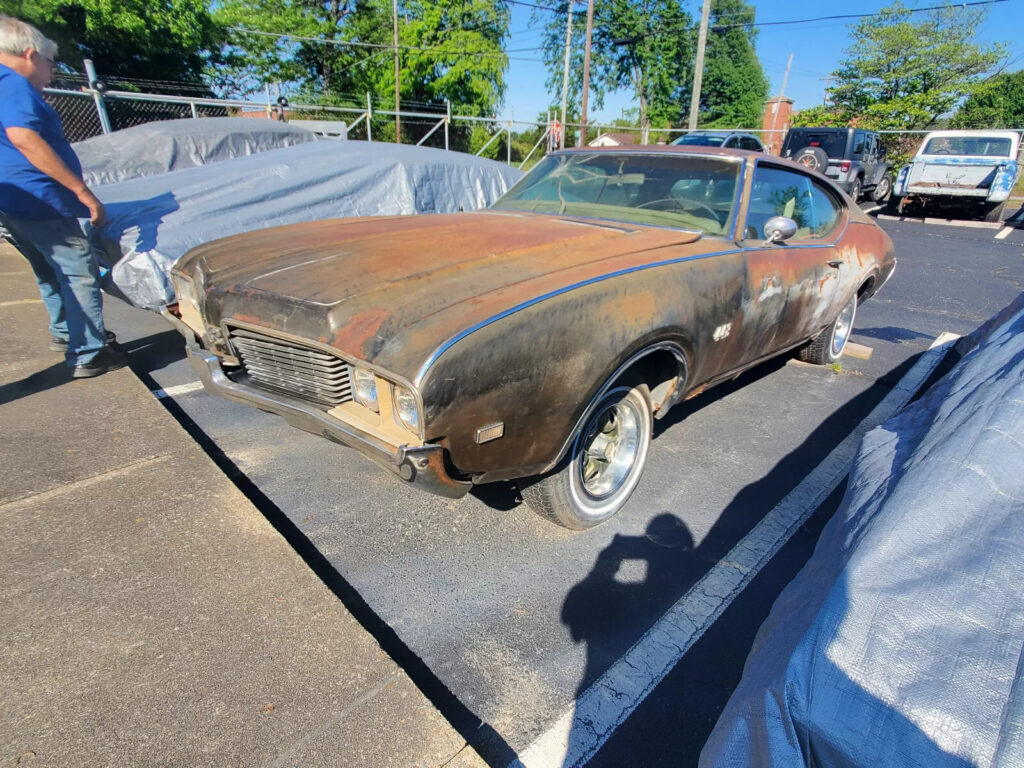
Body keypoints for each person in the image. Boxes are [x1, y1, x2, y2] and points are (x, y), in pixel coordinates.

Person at [0, 15, 125, 378]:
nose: (51, 73)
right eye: (51, 63)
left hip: (16, 203)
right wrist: (83, 192)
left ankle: (65, 332)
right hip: (42, 200)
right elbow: (24, 137)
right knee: (78, 273)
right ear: (30, 55)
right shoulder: (14, 84)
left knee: (47, 269)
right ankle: (88, 352)